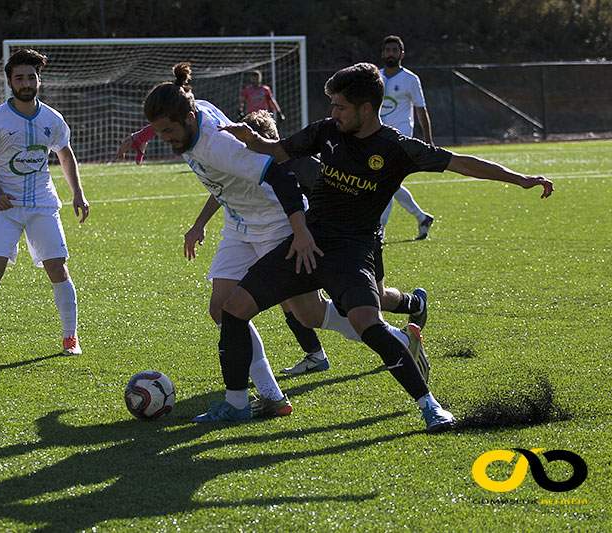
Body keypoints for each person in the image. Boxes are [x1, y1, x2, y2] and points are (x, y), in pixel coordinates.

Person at [213, 62, 553, 432]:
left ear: (366, 108)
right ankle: (236, 405)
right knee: (233, 310)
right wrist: (251, 140)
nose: (333, 113)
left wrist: (520, 179)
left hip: (352, 252)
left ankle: (430, 405)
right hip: (308, 244)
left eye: (340, 107)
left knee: (367, 323)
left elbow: (461, 163)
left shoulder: (397, 148)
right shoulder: (326, 131)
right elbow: (278, 151)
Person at [114, 109, 430, 379]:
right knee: (238, 308)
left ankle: (400, 329)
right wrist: (198, 223)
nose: (248, 151)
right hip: (246, 232)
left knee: (330, 309)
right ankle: (288, 375)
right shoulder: (231, 151)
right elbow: (222, 188)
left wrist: (313, 233)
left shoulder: (298, 165)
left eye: (257, 146)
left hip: (302, 233)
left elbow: (328, 196)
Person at [0, 49, 90, 360]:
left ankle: (70, 337)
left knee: (58, 268)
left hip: (43, 205)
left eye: (30, 77)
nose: (26, 82)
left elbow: (64, 155)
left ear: (38, 80)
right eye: (19, 78)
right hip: (6, 208)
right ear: (9, 82)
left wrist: (78, 193)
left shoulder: (52, 118)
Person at [379, 35, 435, 240]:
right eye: (388, 50)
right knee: (389, 182)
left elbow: (421, 110)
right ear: (383, 53)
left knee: (386, 181)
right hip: (378, 136)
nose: (391, 53)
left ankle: (380, 230)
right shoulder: (376, 76)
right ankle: (421, 217)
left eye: (395, 50)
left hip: (401, 137)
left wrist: (428, 141)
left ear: (401, 54)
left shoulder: (410, 79)